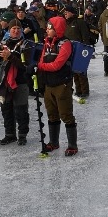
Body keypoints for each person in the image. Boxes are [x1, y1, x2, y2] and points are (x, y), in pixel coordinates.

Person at [37, 16, 77, 156]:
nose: (47, 30)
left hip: (62, 84)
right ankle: (54, 142)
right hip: (49, 84)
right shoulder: (46, 43)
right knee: (52, 115)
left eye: (50, 28)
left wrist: (39, 66)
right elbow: (42, 60)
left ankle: (72, 145)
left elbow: (57, 65)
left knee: (66, 114)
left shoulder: (65, 44)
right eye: (47, 27)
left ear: (57, 29)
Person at [0, 19, 33, 145]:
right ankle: (10, 134)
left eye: (18, 29)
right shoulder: (4, 43)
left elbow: (26, 66)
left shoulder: (26, 44)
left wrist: (10, 57)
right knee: (6, 109)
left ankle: (22, 135)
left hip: (20, 81)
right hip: (4, 82)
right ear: (9, 30)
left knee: (21, 110)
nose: (16, 31)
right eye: (13, 28)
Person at [64, 5, 91, 102]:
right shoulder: (66, 23)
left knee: (81, 71)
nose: (65, 14)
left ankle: (85, 91)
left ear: (72, 13)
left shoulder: (79, 22)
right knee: (74, 71)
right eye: (65, 12)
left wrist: (86, 49)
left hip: (80, 50)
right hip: (70, 50)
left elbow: (85, 36)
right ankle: (78, 90)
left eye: (67, 12)